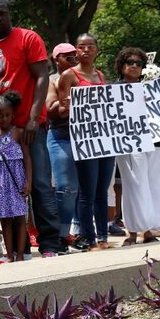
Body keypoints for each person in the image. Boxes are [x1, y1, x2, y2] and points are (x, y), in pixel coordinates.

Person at [0, 0, 63, 257]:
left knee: (38, 183)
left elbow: (41, 77)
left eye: (3, 13)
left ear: (10, 14)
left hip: (29, 127)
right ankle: (20, 245)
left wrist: (34, 118)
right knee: (7, 188)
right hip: (1, 132)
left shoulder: (28, 38)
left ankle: (50, 242)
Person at [57, 33, 115, 250]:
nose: (86, 51)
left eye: (90, 46)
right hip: (84, 140)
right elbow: (62, 111)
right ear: (76, 51)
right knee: (87, 192)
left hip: (105, 139)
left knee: (102, 190)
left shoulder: (100, 76)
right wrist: (73, 105)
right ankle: (88, 238)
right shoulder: (69, 76)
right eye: (82, 47)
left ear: (97, 50)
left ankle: (103, 237)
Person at [112, 48, 160, 245]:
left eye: (139, 63)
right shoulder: (114, 90)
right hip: (129, 144)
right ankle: (132, 231)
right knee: (133, 186)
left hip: (155, 141)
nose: (135, 66)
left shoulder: (152, 88)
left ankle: (148, 231)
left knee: (152, 185)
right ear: (122, 66)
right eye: (130, 62)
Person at [45, 42, 86, 250]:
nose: (72, 59)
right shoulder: (51, 80)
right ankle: (61, 236)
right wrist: (67, 103)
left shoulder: (89, 76)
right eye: (66, 56)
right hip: (61, 136)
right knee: (66, 187)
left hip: (87, 137)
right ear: (56, 59)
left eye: (74, 55)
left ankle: (82, 234)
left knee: (86, 187)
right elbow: (50, 110)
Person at [0, 91, 32, 262]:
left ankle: (20, 254)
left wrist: (29, 181)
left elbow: (26, 157)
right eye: (0, 116)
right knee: (4, 219)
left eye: (7, 115)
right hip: (0, 184)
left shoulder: (18, 133)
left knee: (20, 218)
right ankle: (9, 254)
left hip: (17, 180)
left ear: (13, 115)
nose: (4, 119)